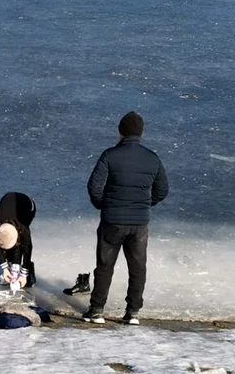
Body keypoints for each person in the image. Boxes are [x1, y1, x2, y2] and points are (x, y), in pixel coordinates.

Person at [82, 111, 169, 326]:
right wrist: (145, 205)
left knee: (104, 266)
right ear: (140, 134)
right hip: (139, 223)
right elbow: (162, 189)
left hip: (112, 220)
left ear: (121, 132)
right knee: (138, 267)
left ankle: (96, 311)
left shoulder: (110, 155)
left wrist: (104, 204)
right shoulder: (152, 158)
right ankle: (133, 313)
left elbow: (94, 187)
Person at [0, 192, 37, 289]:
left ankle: (28, 273)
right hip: (8, 201)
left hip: (26, 205)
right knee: (7, 246)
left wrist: (24, 273)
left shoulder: (23, 228)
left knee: (20, 245)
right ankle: (13, 269)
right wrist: (4, 268)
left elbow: (28, 249)